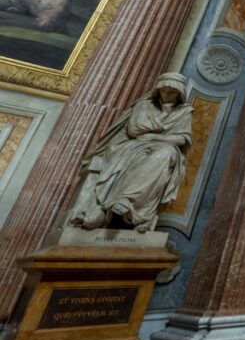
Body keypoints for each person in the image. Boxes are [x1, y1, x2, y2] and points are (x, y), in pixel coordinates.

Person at [67, 72, 192, 233]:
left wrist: (152, 136)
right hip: (131, 146)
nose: (167, 94)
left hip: (160, 147)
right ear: (158, 90)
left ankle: (127, 201)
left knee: (165, 154)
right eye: (164, 90)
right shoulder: (144, 105)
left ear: (179, 94)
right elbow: (134, 131)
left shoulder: (184, 111)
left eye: (172, 91)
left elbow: (182, 139)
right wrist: (163, 133)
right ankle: (121, 207)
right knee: (144, 155)